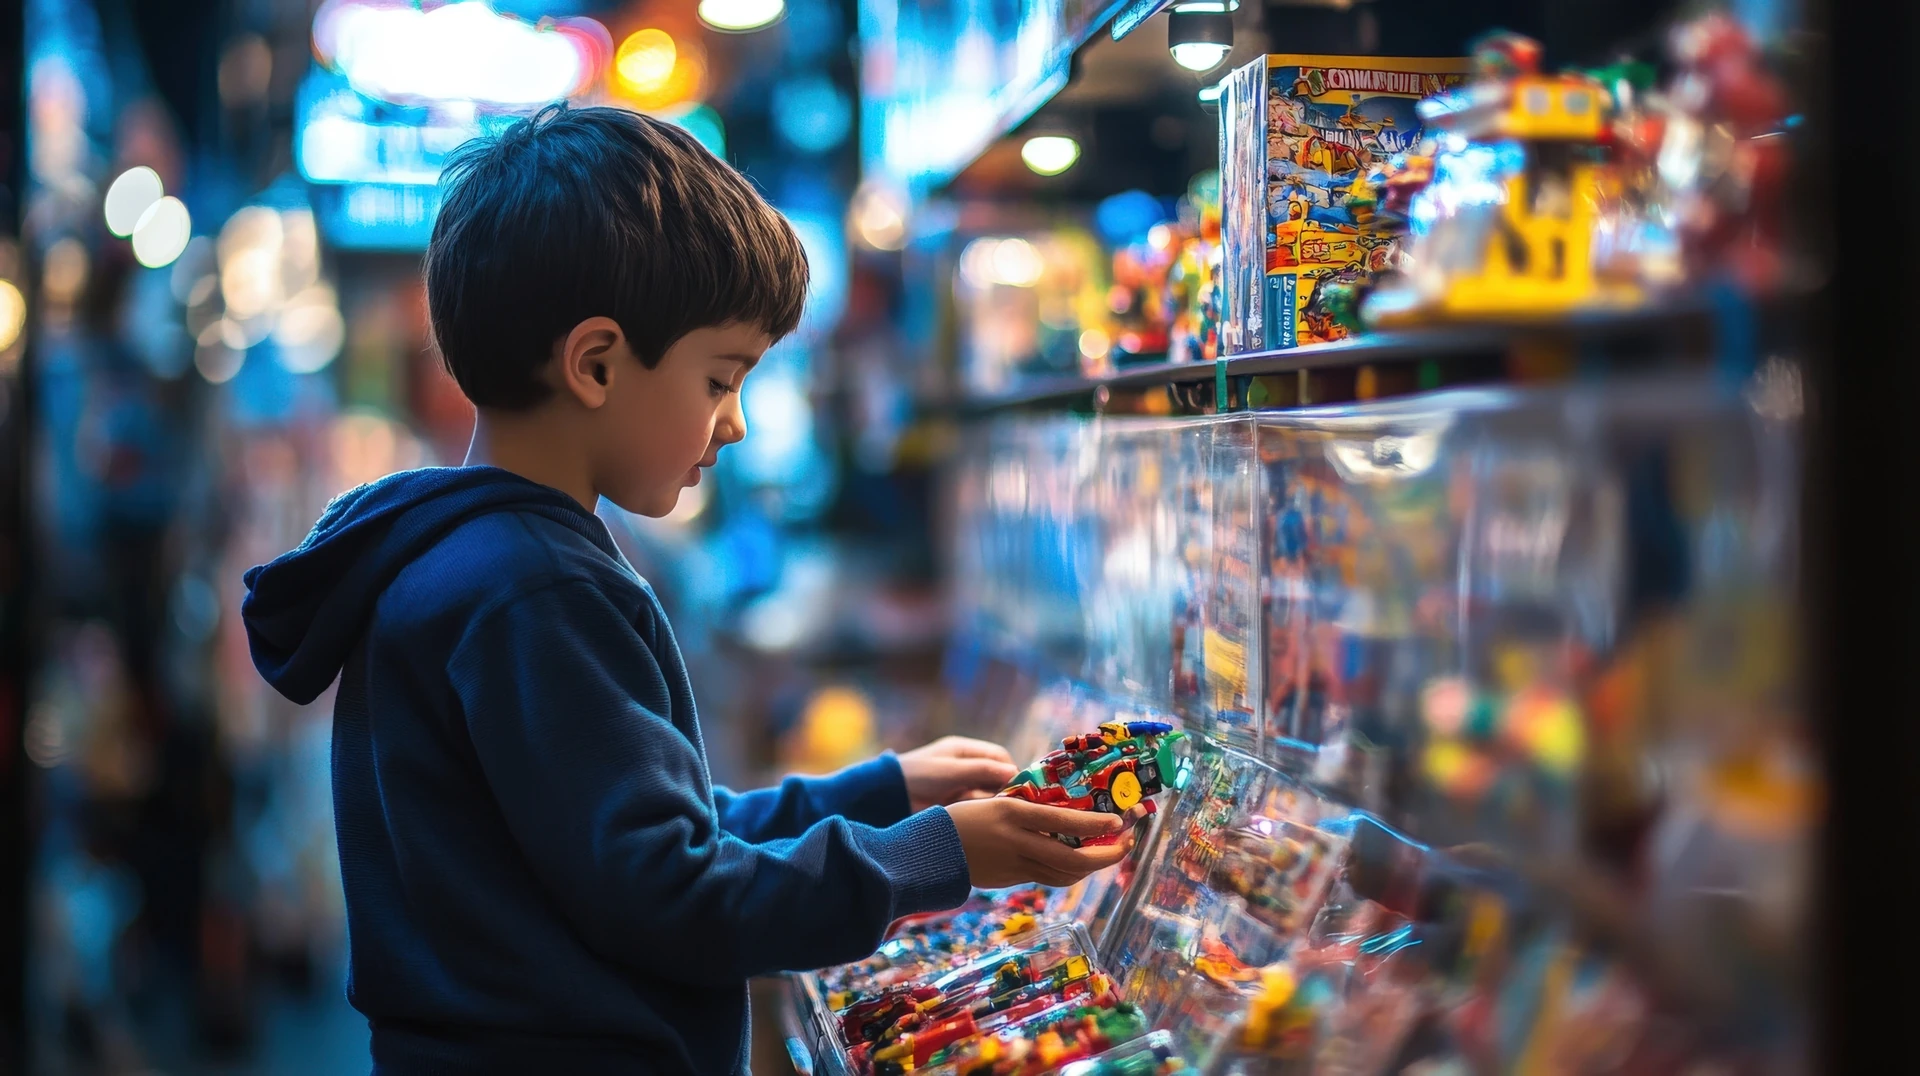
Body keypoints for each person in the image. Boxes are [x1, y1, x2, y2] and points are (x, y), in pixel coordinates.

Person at [237, 104, 1129, 1075]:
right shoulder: (533, 587)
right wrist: (931, 854)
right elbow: (675, 895)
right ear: (596, 364)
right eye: (720, 378)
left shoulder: (477, 560)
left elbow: (641, 837)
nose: (735, 422)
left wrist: (883, 793)